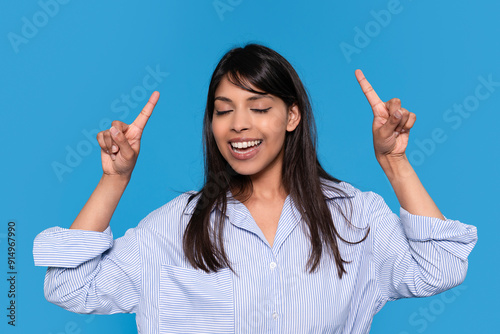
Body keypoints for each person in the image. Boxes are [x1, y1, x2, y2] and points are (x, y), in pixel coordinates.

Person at [33, 43, 478, 333]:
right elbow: (70, 285)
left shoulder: (352, 216)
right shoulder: (177, 226)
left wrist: (394, 162)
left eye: (259, 107)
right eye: (223, 110)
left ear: (291, 117)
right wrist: (114, 180)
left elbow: (440, 266)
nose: (239, 124)